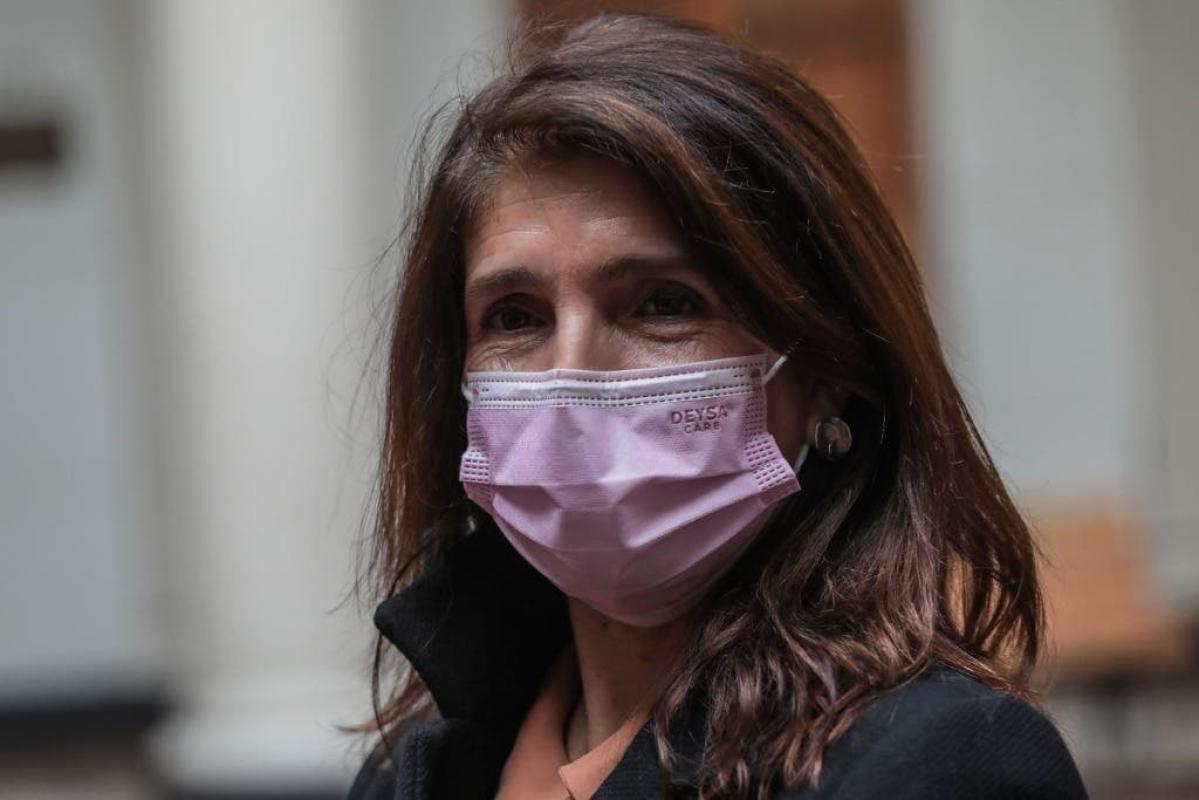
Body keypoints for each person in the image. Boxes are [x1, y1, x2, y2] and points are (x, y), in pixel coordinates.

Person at [344, 11, 1088, 800]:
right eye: (513, 317)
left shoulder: (942, 761)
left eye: (663, 304)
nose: (569, 376)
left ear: (828, 369)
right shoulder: (414, 770)